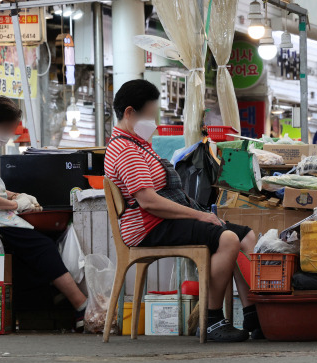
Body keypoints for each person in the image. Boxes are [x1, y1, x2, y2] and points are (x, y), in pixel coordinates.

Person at [105, 79, 262, 342]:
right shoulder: (125, 150)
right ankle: (211, 320)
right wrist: (200, 215)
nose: (153, 122)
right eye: (150, 115)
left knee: (246, 237)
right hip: (148, 227)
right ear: (130, 113)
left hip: (161, 221)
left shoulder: (138, 144)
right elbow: (149, 201)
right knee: (227, 239)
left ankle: (253, 315)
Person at [0, 96, 88, 331]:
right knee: (40, 246)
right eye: (7, 129)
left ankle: (49, 304)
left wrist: (16, 195)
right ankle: (81, 304)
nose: (10, 135)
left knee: (47, 242)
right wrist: (16, 205)